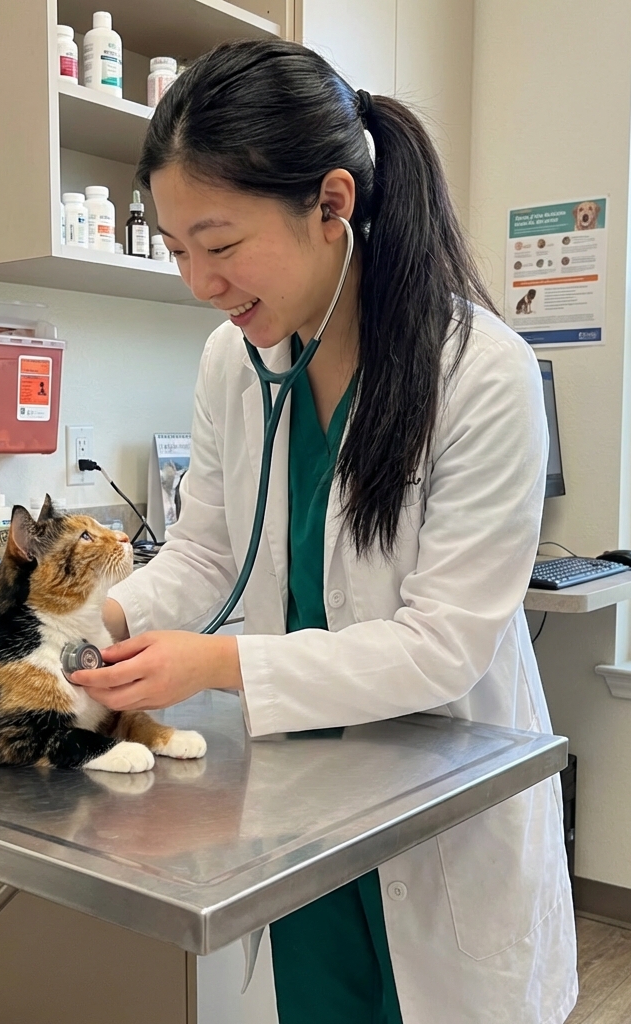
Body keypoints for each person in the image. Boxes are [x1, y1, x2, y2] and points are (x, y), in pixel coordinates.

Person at [69, 38, 578, 1024]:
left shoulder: (479, 372)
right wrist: (97, 617)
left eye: (218, 245)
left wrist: (215, 663)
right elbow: (206, 549)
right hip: (307, 810)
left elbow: (444, 648)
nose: (198, 282)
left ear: (331, 203)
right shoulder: (234, 360)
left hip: (439, 809)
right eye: (176, 251)